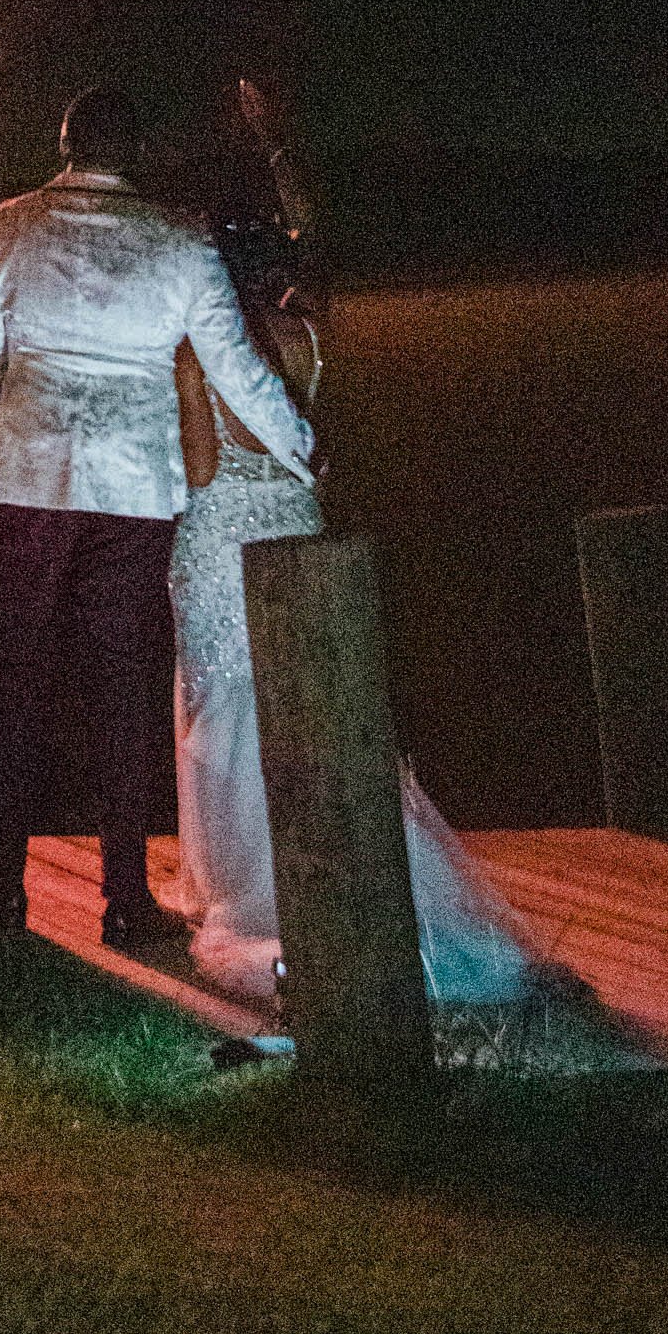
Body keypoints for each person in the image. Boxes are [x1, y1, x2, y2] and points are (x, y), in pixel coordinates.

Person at [162, 80, 542, 1006]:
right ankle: (359, 868)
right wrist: (276, 145)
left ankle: (255, 892)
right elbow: (310, 240)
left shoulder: (191, 352)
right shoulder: (305, 331)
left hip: (218, 542)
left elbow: (202, 469)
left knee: (227, 711)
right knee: (310, 698)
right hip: (298, 521)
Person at [0, 82, 315, 949]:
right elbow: (235, 371)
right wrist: (300, 444)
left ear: (65, 143)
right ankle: (124, 901)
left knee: (15, 684)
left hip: (28, 486)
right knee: (124, 693)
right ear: (135, 153)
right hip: (135, 497)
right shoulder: (182, 241)